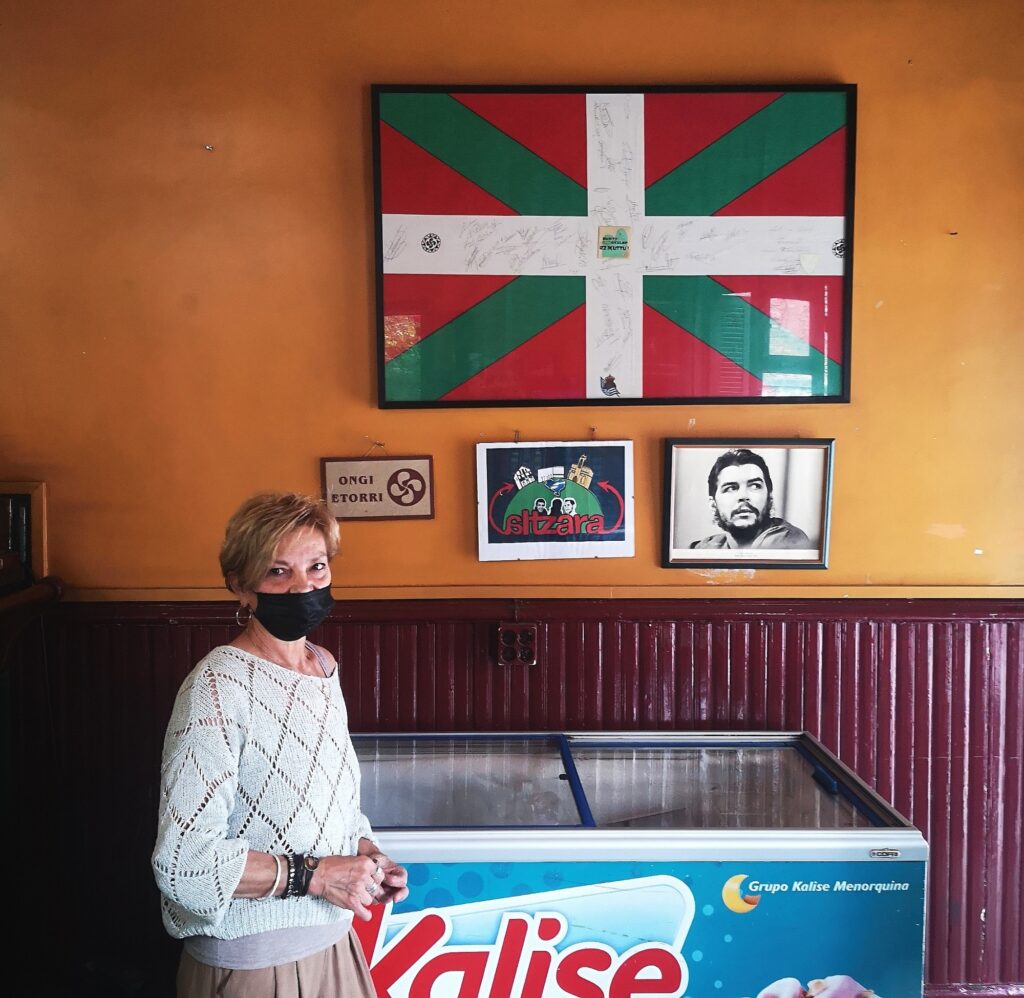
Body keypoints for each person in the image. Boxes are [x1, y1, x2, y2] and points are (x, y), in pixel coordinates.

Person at [153, 492, 408, 997]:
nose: (303, 586)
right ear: (240, 586)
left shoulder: (323, 666)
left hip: (336, 947)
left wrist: (365, 855)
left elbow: (328, 802)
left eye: (316, 566)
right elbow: (184, 864)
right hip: (253, 965)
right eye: (277, 571)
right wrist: (315, 876)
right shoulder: (217, 687)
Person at [689, 449, 811, 550]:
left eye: (755, 486)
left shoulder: (788, 539)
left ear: (769, 498)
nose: (743, 496)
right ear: (713, 505)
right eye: (731, 488)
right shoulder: (702, 548)